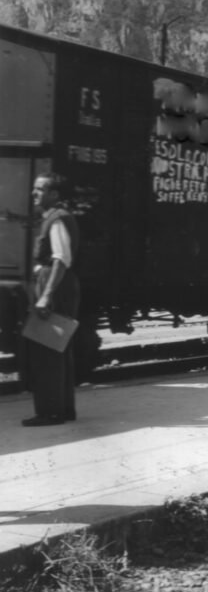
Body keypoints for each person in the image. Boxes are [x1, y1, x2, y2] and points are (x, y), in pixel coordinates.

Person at [22, 174, 80, 426]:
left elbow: (60, 258)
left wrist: (45, 296)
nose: (34, 193)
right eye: (34, 189)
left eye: (40, 190)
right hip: (58, 284)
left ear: (54, 194)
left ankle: (49, 412)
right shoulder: (55, 217)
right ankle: (63, 409)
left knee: (46, 349)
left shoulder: (57, 219)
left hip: (54, 285)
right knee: (58, 348)